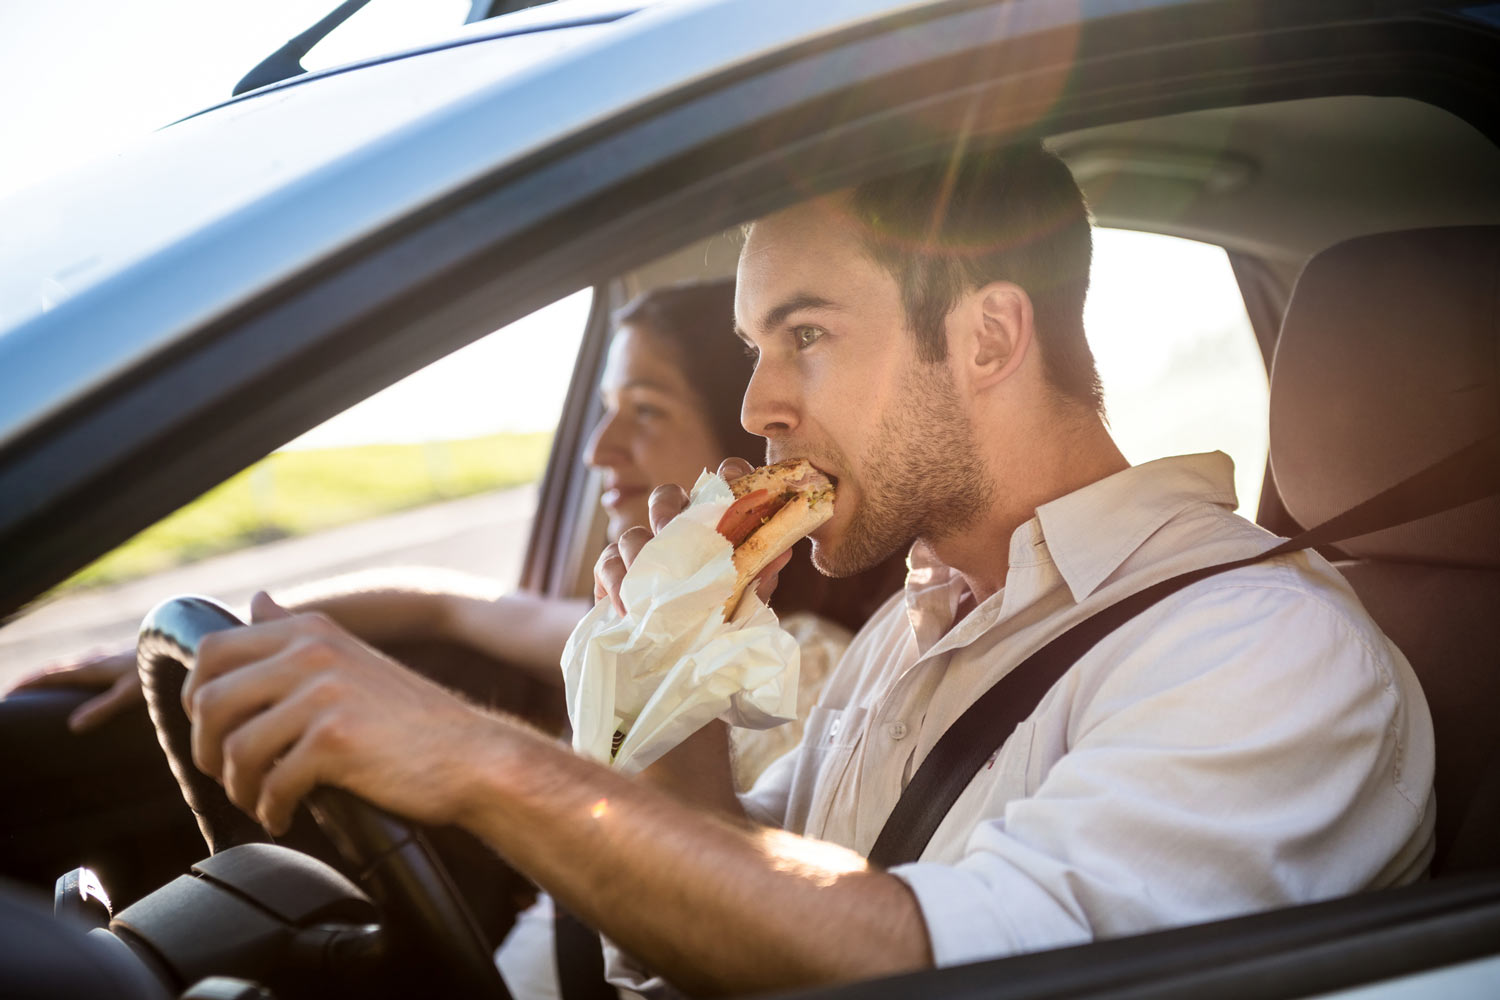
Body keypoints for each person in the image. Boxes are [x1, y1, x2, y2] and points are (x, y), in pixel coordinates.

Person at [161, 143, 1431, 998]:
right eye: (754, 344)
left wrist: (479, 758)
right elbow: (742, 907)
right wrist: (670, 682)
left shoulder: (1261, 650)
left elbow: (921, 963)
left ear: (988, 335)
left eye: (806, 335)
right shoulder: (919, 622)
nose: (759, 402)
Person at [7, 280, 889, 795]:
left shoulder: (810, 675)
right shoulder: (636, 633)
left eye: (646, 413)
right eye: (604, 410)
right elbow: (456, 605)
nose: (598, 449)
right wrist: (222, 638)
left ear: (743, 453)